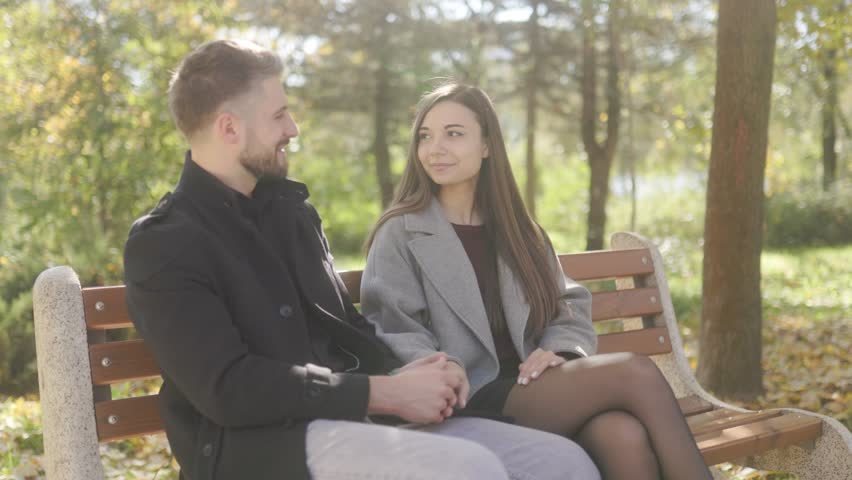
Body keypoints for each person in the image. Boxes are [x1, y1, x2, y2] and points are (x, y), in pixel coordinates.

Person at [124, 40, 601, 480]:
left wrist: (421, 371)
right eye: (279, 116)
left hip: (355, 416)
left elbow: (347, 328)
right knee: (467, 468)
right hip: (260, 446)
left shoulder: (292, 215)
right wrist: (383, 392)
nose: (293, 129)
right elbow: (228, 388)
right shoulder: (166, 241)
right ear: (229, 127)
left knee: (562, 462)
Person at [361, 82, 714, 480]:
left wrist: (560, 351)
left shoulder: (519, 231)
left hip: (533, 386)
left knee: (623, 435)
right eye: (425, 136)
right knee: (635, 372)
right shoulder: (401, 232)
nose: (435, 147)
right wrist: (444, 374)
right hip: (469, 395)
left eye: (454, 134)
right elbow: (393, 327)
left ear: (487, 145)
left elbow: (568, 304)